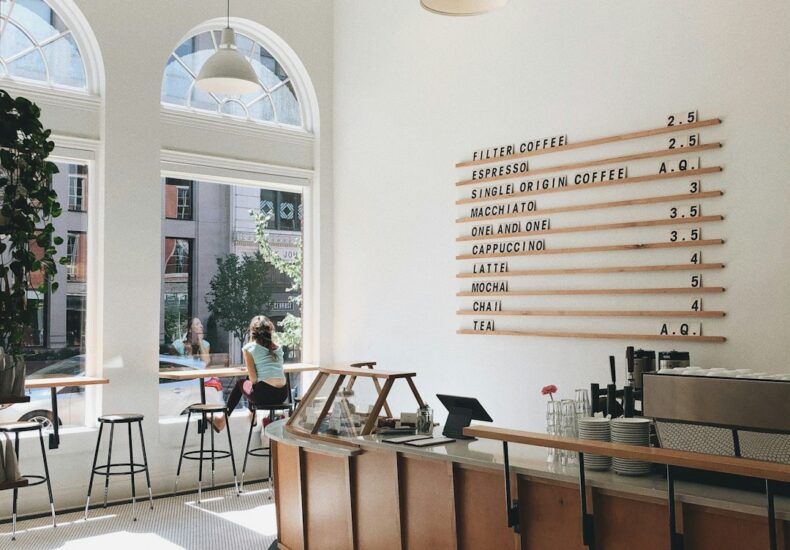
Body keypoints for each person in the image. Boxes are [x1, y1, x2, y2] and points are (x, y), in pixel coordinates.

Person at [212, 316, 287, 432]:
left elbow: (253, 380)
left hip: (264, 396)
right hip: (282, 394)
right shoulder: (278, 348)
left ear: (253, 332)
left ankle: (223, 419)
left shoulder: (249, 348)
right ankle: (252, 414)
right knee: (249, 382)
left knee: (240, 384)